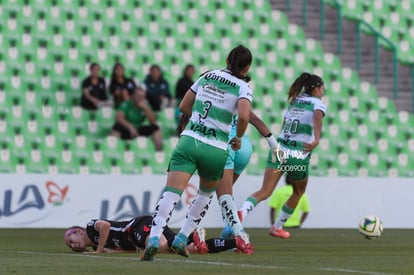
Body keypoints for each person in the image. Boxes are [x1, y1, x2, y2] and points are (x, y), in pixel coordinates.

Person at [141, 45, 253, 261]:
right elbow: (245, 117)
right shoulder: (243, 87)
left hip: (190, 141)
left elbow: (184, 106)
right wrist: (237, 138)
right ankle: (182, 237)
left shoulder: (208, 75)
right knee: (204, 195)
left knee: (171, 193)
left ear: (228, 59)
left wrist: (202, 118)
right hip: (216, 149)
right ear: (247, 67)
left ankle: (154, 236)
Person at [238, 72, 326, 239]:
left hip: (279, 149)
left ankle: (241, 212)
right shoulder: (317, 103)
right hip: (297, 155)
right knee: (298, 192)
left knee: (264, 191)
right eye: (322, 88)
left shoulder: (294, 101)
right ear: (316, 89)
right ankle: (277, 227)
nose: (323, 92)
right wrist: (316, 139)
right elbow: (316, 118)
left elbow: (285, 124)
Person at [216, 112, 279, 253]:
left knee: (222, 194)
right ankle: (229, 232)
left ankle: (236, 235)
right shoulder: (240, 100)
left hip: (226, 143)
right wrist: (274, 145)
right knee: (226, 193)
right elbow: (256, 120)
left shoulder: (217, 96)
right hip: (244, 147)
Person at [64, 215, 238, 254]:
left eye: (71, 240)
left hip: (137, 227)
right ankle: (236, 243)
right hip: (137, 240)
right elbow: (126, 251)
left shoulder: (90, 227)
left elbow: (106, 226)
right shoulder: (96, 245)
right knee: (188, 249)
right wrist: (102, 250)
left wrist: (100, 250)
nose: (72, 245)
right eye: (70, 246)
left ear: (78, 232)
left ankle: (193, 234)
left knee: (160, 247)